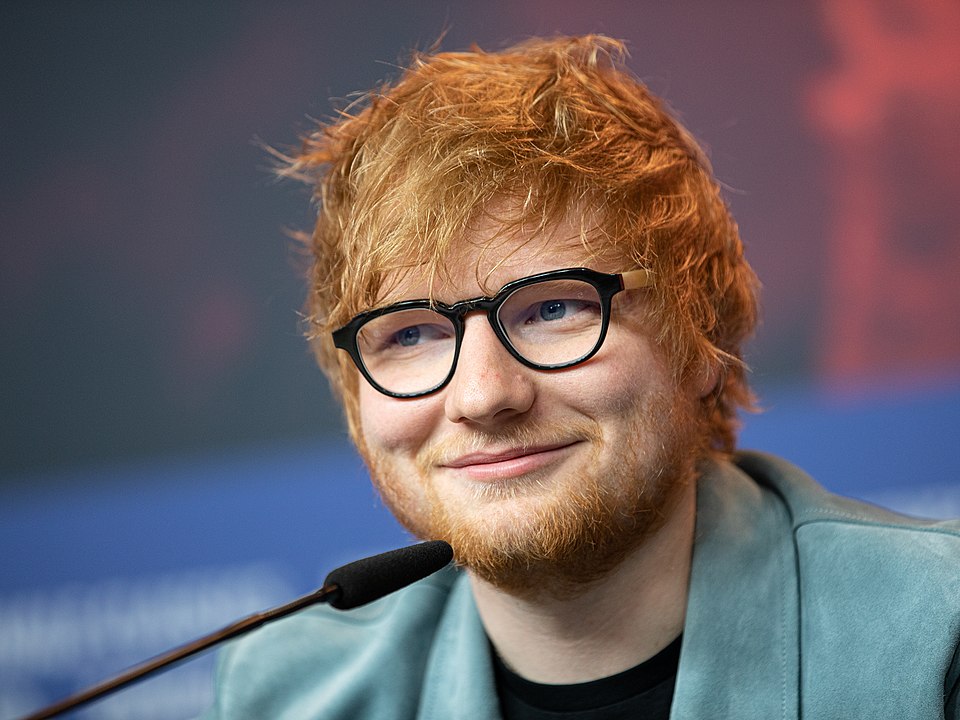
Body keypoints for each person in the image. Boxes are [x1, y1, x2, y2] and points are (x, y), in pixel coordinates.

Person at [204, 35, 960, 718]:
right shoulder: (284, 698)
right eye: (411, 334)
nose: (484, 395)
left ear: (698, 338)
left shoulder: (938, 636)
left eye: (553, 309)